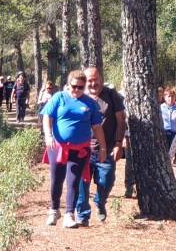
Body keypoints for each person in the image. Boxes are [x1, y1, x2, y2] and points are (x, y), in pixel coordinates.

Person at [41, 70, 107, 228]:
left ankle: (69, 214)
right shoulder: (59, 97)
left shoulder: (90, 103)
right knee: (57, 179)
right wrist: (48, 136)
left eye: (80, 87)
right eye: (74, 86)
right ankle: (54, 209)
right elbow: (47, 117)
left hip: (80, 149)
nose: (76, 90)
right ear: (68, 85)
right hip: (57, 146)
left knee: (73, 181)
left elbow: (97, 127)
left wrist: (103, 147)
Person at [75, 67, 126, 225]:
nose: (93, 83)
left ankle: (100, 201)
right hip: (83, 148)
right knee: (82, 184)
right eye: (89, 80)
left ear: (101, 80)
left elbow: (121, 121)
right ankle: (83, 216)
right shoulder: (79, 96)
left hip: (107, 148)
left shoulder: (111, 95)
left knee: (106, 181)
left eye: (95, 80)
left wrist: (118, 143)